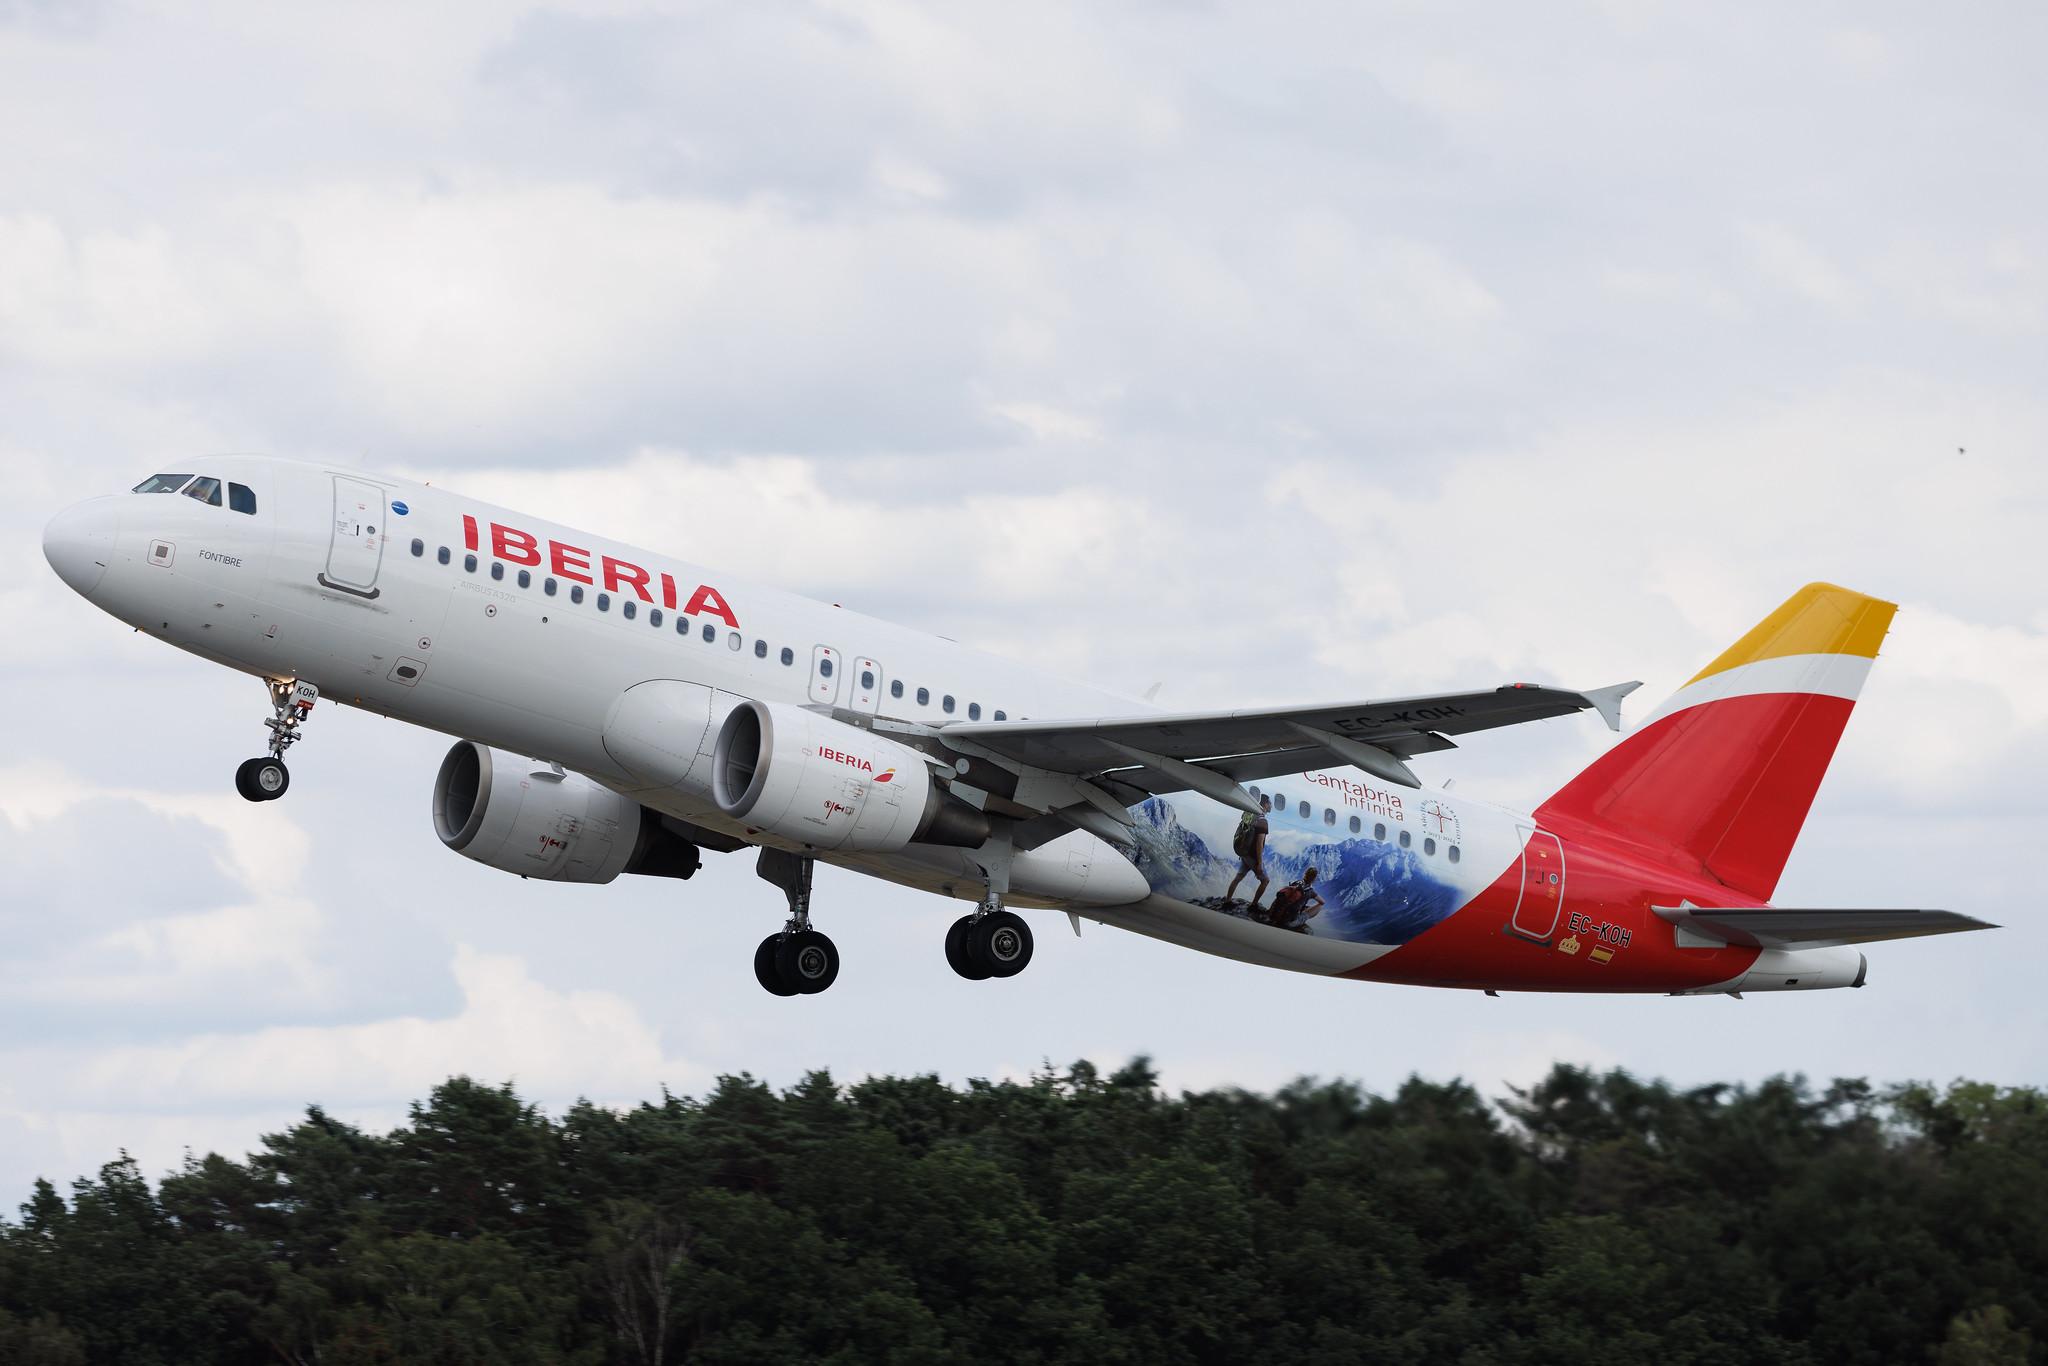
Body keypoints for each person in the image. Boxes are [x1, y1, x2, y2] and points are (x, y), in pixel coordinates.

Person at [1225, 794, 1271, 910]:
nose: (1270, 806)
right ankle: (1253, 905)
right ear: (1265, 804)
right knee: (1265, 881)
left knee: (1238, 877)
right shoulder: (1263, 821)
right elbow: (1259, 844)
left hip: (1244, 853)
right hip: (1252, 856)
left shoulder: (1251, 816)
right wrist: (1259, 863)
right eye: (1269, 803)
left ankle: (1228, 900)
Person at [1265, 866, 1326, 931]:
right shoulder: (1310, 891)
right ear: (1314, 879)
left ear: (1305, 874)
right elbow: (1322, 902)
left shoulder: (1296, 883)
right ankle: (1296, 923)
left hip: (1273, 916)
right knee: (1319, 906)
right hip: (1288, 922)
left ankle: (1274, 916)